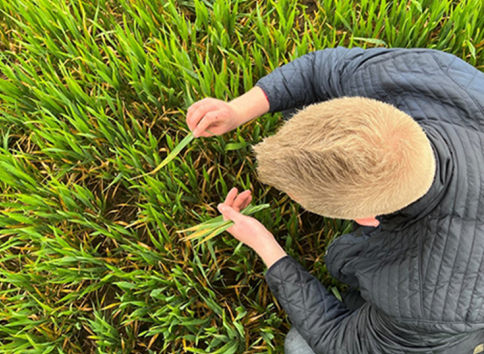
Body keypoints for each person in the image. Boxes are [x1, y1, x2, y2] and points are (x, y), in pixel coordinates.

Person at [185, 47, 484, 353]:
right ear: (370, 108)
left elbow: (338, 341)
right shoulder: (435, 73)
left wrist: (265, 245)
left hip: (461, 314)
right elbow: (320, 68)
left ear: (369, 218)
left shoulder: (423, 306)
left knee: (300, 345)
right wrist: (237, 111)